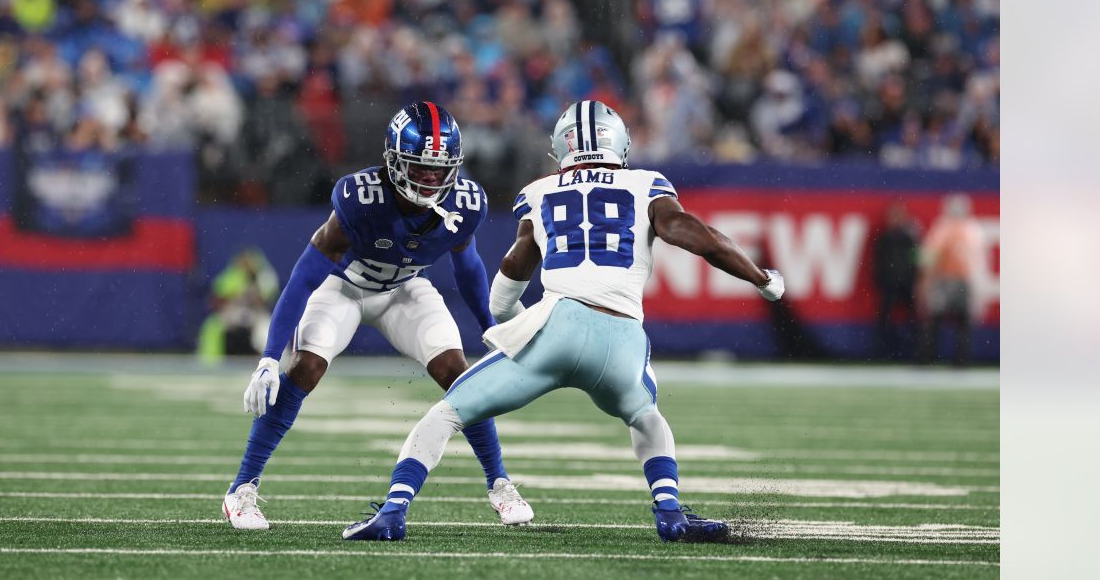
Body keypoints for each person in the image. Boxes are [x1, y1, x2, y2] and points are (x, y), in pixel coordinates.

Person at [343, 100, 785, 543]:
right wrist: (762, 279)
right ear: (620, 142)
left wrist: (526, 333)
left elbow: (506, 286)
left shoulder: (540, 192)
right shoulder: (646, 183)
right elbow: (694, 235)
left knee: (447, 413)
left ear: (560, 150)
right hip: (623, 338)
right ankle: (670, 512)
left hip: (558, 323)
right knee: (647, 417)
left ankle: (394, 511)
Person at [223, 101, 533, 530]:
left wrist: (494, 332)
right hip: (346, 287)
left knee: (458, 373)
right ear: (393, 159)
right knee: (306, 367)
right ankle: (241, 489)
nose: (430, 178)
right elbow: (303, 277)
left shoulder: (465, 200)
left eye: (439, 170)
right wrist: (269, 357)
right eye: (420, 167)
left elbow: (468, 270)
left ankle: (500, 483)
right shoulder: (361, 198)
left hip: (405, 288)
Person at [916, 193, 983, 365]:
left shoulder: (942, 228)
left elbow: (928, 257)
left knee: (934, 322)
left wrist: (924, 280)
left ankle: (927, 359)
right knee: (962, 324)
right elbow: (980, 262)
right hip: (964, 280)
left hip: (945, 279)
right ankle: (961, 361)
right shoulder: (974, 230)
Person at [197, 248, 280, 364]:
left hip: (255, 315)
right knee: (212, 325)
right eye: (243, 261)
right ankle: (209, 363)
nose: (246, 264)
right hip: (232, 313)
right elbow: (214, 301)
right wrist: (235, 298)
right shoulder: (232, 276)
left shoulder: (263, 276)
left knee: (267, 328)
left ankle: (273, 362)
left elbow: (266, 301)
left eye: (249, 261)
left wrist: (253, 291)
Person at [871, 202, 921, 361]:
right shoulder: (885, 238)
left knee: (913, 321)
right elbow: (878, 261)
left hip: (906, 284)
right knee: (884, 321)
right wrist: (881, 280)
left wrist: (915, 279)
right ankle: (883, 353)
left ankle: (916, 353)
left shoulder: (910, 237)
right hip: (890, 285)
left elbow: (916, 259)